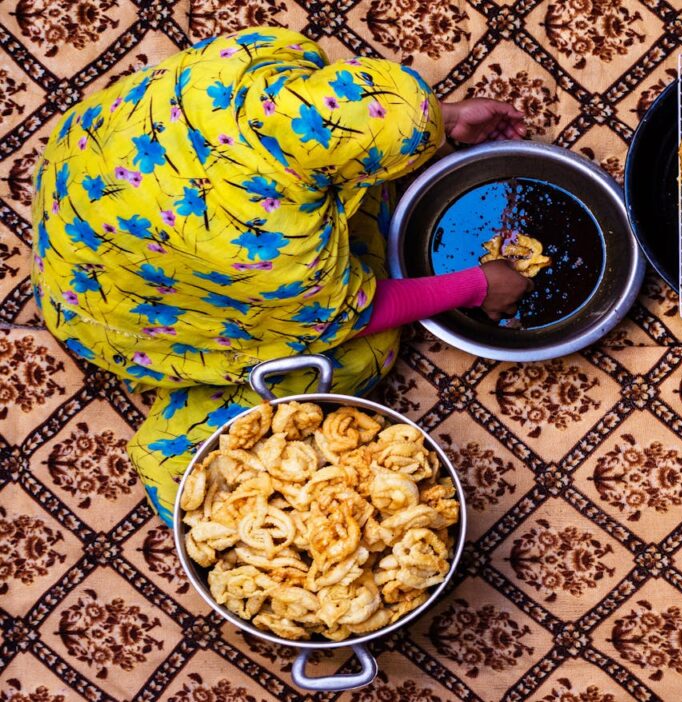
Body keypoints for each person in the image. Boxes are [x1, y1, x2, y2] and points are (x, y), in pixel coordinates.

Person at [30, 27, 533, 525]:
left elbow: (353, 108)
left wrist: (439, 118)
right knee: (363, 354)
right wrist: (479, 285)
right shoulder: (273, 249)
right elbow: (355, 315)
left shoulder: (257, 57)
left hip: (86, 196)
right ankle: (176, 448)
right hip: (111, 309)